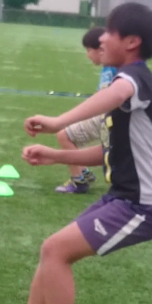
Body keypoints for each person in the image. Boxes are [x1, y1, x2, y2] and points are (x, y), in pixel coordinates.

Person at [0, 2, 152, 304]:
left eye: (109, 32)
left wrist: (57, 122)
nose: (101, 38)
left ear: (131, 42)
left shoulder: (133, 79)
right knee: (52, 249)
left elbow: (115, 93)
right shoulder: (127, 84)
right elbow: (109, 153)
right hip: (123, 196)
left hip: (145, 206)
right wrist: (56, 156)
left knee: (56, 251)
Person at [54, 26, 117, 194]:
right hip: (110, 116)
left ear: (101, 49)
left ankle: (78, 181)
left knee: (65, 135)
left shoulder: (111, 68)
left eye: (89, 50)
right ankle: (83, 173)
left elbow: (105, 98)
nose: (88, 55)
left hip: (111, 118)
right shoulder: (111, 67)